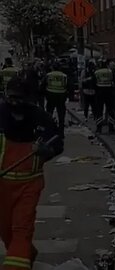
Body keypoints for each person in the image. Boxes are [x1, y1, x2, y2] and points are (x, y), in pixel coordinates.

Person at [0, 76, 63, 269]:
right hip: (2, 183)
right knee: (6, 230)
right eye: (11, 97)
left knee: (22, 228)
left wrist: (48, 151)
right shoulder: (0, 114)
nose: (15, 103)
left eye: (19, 98)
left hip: (29, 184)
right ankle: (26, 253)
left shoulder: (41, 117)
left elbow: (57, 142)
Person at [44, 64, 68, 137]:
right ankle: (61, 133)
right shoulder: (64, 76)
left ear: (53, 68)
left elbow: (43, 84)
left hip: (50, 96)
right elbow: (68, 85)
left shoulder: (48, 75)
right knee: (61, 116)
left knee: (49, 114)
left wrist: (43, 93)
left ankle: (49, 131)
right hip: (61, 96)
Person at [94, 60, 115, 133]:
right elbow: (113, 80)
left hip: (99, 92)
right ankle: (111, 127)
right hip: (109, 91)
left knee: (99, 110)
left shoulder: (97, 72)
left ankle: (99, 128)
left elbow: (94, 82)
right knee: (110, 110)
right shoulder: (110, 71)